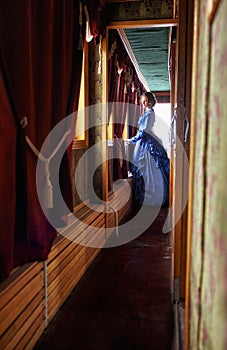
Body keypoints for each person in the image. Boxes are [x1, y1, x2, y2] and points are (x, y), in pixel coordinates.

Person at [127, 91, 170, 206]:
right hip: (143, 141)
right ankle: (145, 198)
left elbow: (144, 131)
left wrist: (132, 140)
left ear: (150, 101)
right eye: (143, 100)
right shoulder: (147, 112)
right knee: (142, 167)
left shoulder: (150, 113)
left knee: (150, 168)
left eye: (146, 100)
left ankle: (153, 198)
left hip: (146, 141)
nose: (144, 102)